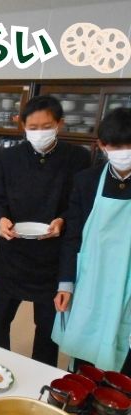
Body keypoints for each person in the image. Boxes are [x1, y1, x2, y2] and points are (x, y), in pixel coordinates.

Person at [0, 95, 91, 366]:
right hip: (13, 253)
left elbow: (80, 204)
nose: (39, 133)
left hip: (52, 257)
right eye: (33, 127)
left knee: (46, 328)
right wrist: (1, 219)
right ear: (22, 126)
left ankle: (42, 375)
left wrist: (62, 220)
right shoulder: (9, 157)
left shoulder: (77, 158)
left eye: (46, 126)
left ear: (59, 124)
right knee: (0, 319)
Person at [52, 107, 131, 375]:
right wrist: (66, 284)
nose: (124, 152)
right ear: (102, 145)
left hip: (127, 283)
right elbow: (72, 235)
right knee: (84, 353)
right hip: (91, 279)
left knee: (122, 356)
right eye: (116, 146)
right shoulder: (87, 181)